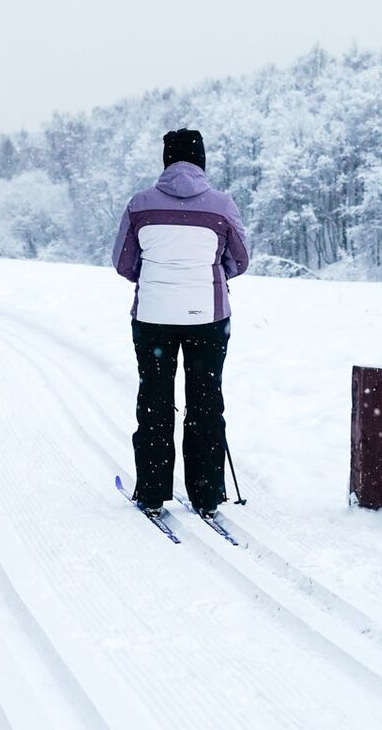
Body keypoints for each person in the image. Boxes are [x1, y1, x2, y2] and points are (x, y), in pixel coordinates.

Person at [110, 129, 250, 518]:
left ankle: (153, 492)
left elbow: (123, 262)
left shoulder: (140, 204)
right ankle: (206, 495)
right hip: (208, 318)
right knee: (205, 401)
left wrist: (154, 278)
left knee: (155, 400)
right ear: (202, 160)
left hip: (153, 318)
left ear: (166, 160)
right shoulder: (221, 206)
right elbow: (239, 260)